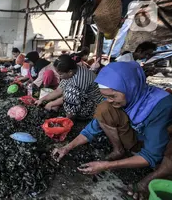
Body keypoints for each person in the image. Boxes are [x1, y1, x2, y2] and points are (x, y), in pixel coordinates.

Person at [52, 62, 172, 199]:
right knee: (103, 109)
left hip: (163, 145)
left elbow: (151, 155)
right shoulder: (120, 98)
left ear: (130, 87)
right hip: (139, 137)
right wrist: (66, 148)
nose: (109, 100)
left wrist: (106, 165)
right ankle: (120, 151)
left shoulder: (160, 105)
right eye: (106, 96)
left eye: (113, 96)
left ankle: (146, 182)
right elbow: (92, 128)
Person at [35, 54, 103, 119]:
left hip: (94, 106)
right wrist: (42, 99)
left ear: (69, 72)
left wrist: (51, 104)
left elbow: (70, 97)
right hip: (82, 98)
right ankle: (58, 111)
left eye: (60, 74)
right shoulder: (73, 70)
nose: (59, 76)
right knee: (58, 99)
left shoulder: (78, 80)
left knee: (69, 93)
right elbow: (58, 90)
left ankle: (68, 119)